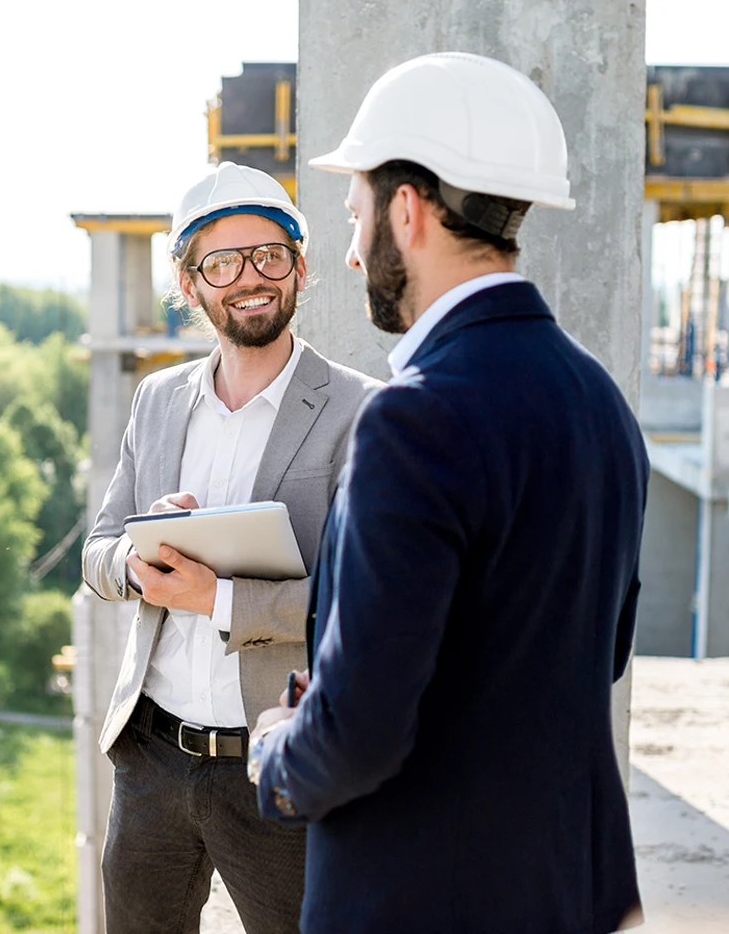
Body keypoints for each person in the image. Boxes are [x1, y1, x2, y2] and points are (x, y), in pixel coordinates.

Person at [250, 54, 649, 934]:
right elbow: (597, 650)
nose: (351, 250)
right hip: (564, 895)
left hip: (420, 901)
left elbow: (358, 735)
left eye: (353, 215)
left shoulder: (412, 420)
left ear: (406, 208)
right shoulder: (600, 402)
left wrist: (274, 750)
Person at [82, 161, 381, 934]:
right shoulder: (158, 401)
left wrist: (210, 596)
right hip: (151, 753)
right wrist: (134, 565)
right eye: (221, 262)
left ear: (299, 267)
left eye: (267, 255)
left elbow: (365, 606)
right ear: (190, 285)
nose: (249, 278)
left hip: (277, 758)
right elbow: (98, 551)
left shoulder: (361, 412)